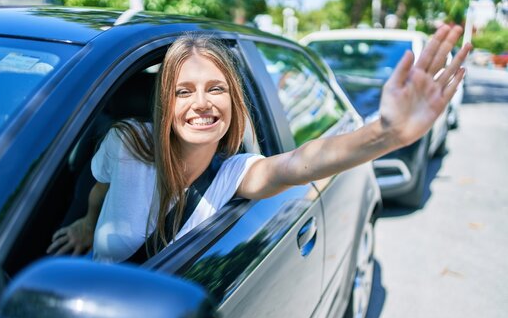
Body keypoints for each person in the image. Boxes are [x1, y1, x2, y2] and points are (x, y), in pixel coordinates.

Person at [47, 26, 471, 263]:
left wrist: (387, 134)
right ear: (164, 103)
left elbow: (300, 163)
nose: (201, 104)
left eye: (216, 89)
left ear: (233, 101)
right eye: (183, 91)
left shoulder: (234, 173)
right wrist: (87, 223)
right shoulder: (126, 140)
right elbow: (102, 188)